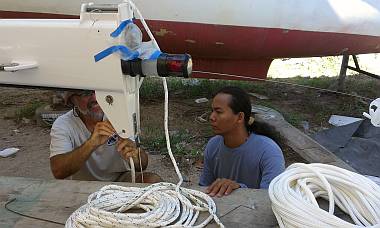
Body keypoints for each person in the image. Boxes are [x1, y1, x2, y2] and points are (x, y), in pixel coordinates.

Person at [50, 90, 161, 182]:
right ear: (72, 100)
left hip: (120, 180)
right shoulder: (63, 124)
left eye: (98, 91)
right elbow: (58, 171)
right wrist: (91, 144)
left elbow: (142, 165)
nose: (95, 98)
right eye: (85, 94)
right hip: (84, 185)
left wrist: (136, 156)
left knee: (153, 181)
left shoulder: (120, 115)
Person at [199, 86, 285, 197]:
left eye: (219, 112)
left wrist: (240, 189)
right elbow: (204, 188)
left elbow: (272, 198)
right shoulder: (213, 145)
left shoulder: (269, 151)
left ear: (240, 117)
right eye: (212, 111)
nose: (211, 117)